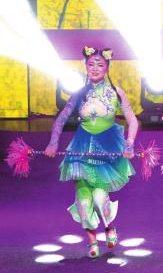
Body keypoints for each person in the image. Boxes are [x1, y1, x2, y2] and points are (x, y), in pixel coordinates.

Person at [44, 47, 138, 258]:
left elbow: (132, 120)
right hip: (81, 148)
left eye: (100, 65)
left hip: (107, 148)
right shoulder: (79, 93)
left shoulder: (116, 92)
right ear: (85, 67)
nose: (95, 68)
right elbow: (60, 120)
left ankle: (109, 227)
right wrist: (53, 142)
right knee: (84, 202)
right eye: (91, 64)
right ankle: (92, 240)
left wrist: (130, 144)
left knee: (98, 198)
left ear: (107, 68)